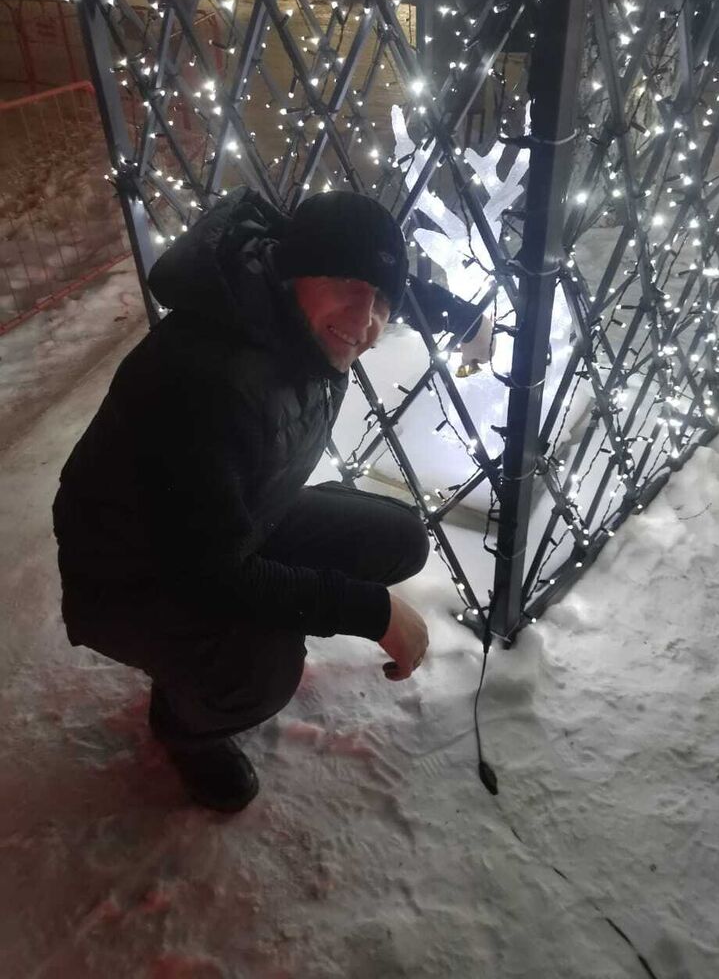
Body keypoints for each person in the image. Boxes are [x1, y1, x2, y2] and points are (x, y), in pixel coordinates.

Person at [52, 188, 433, 814]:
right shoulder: (208, 379)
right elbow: (207, 574)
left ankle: (252, 627)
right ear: (296, 268)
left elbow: (222, 535)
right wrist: (371, 611)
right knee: (264, 669)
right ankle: (184, 723)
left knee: (398, 538)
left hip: (232, 520)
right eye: (347, 283)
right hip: (128, 573)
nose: (365, 320)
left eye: (383, 299)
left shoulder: (291, 319)